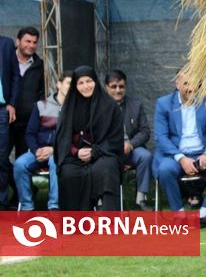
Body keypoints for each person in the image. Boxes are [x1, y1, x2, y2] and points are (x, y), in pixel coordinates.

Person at [153, 73, 206, 229]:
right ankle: (179, 215)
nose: (191, 88)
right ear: (177, 84)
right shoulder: (164, 104)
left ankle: (204, 214)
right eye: (186, 84)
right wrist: (181, 158)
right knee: (165, 169)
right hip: (175, 155)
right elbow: (161, 137)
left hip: (202, 153)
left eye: (194, 83)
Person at [54, 65, 123, 211]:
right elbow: (63, 139)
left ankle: (108, 222)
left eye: (89, 81)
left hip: (102, 154)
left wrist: (94, 151)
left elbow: (115, 139)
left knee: (107, 168)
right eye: (80, 83)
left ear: (96, 81)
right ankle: (75, 224)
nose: (86, 86)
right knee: (68, 173)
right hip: (75, 157)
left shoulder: (110, 106)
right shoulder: (68, 108)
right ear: (75, 86)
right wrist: (75, 152)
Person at [13, 71, 72, 210]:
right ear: (59, 84)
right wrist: (36, 150)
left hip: (60, 152)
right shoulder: (41, 106)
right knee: (19, 165)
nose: (72, 87)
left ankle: (54, 207)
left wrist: (54, 150)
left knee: (55, 161)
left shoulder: (75, 109)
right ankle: (27, 207)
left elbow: (74, 136)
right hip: (39, 150)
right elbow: (30, 133)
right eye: (69, 83)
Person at [105, 69, 153, 211]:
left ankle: (140, 199)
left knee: (145, 156)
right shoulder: (99, 106)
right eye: (114, 87)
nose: (118, 90)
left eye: (121, 86)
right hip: (109, 150)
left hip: (131, 148)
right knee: (104, 162)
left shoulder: (135, 105)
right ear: (106, 87)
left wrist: (131, 144)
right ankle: (109, 201)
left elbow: (145, 131)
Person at [11, 27, 45, 159]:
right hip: (5, 119)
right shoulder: (5, 61)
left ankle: (15, 180)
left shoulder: (41, 66)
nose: (31, 45)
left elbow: (43, 92)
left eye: (35, 42)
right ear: (18, 41)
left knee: (23, 159)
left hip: (28, 122)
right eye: (28, 41)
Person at [0, 34, 20, 210]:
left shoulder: (6, 43)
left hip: (2, 109)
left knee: (1, 157)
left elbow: (15, 76)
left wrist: (12, 103)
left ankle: (2, 203)